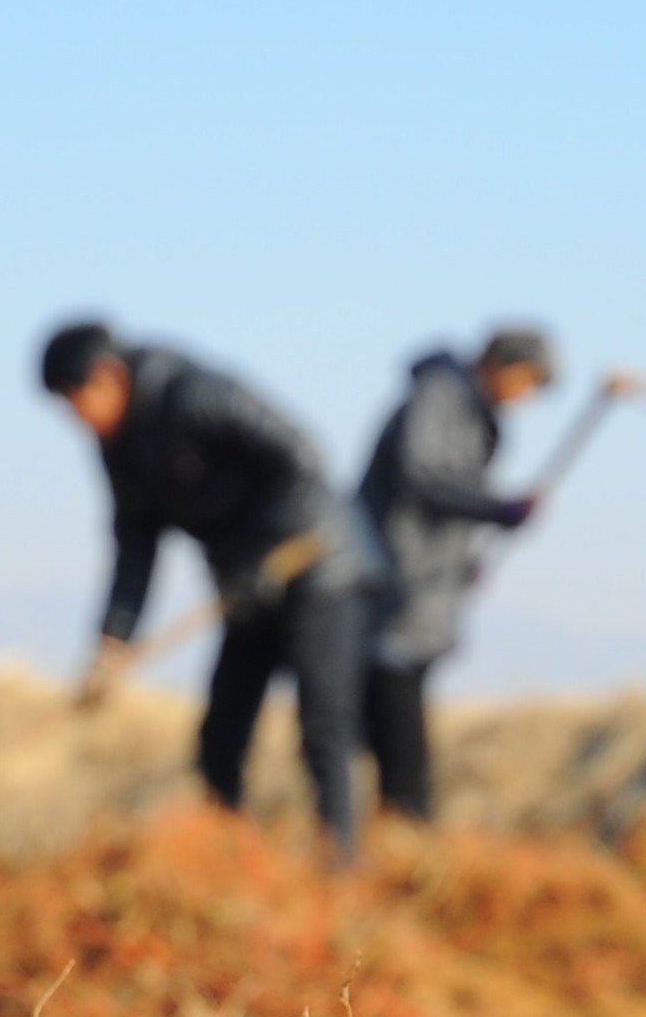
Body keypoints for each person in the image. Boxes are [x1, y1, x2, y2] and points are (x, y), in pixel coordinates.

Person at [41, 317, 374, 857]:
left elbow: (302, 456)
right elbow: (135, 547)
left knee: (322, 722)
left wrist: (269, 551)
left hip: (315, 565)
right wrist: (113, 641)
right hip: (245, 586)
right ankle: (229, 854)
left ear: (107, 378)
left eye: (75, 400)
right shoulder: (119, 449)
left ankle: (340, 863)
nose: (75, 418)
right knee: (220, 734)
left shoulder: (195, 394)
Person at [356, 324, 552, 824]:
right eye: (528, 383)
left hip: (427, 585)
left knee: (399, 707)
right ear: (505, 367)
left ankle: (401, 818)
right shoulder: (440, 398)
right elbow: (422, 475)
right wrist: (494, 507)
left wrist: (465, 560)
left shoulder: (477, 416)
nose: (526, 398)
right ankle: (402, 820)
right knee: (389, 708)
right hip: (394, 581)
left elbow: (453, 500)